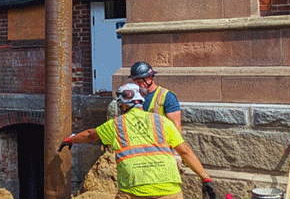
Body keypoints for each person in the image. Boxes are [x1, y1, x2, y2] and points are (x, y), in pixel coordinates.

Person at [58, 83, 216, 199]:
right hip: (168, 189)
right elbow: (185, 151)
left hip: (134, 190)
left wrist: (70, 139)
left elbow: (90, 134)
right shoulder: (162, 122)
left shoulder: (117, 124)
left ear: (123, 105)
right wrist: (205, 178)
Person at [129, 61, 182, 132]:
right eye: (135, 82)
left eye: (140, 82)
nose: (138, 85)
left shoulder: (167, 96)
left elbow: (176, 126)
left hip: (162, 141)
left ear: (150, 78)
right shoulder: (134, 97)